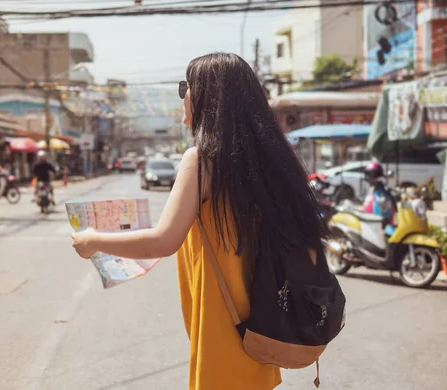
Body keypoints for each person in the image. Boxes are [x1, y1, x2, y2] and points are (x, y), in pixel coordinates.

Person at [71, 53, 327, 390]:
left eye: (186, 87)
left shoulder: (202, 159)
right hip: (263, 327)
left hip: (225, 332)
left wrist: (92, 240)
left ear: (208, 95)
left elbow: (164, 240)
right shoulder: (267, 161)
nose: (184, 95)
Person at [361, 161, 396, 226]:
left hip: (375, 221)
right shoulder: (373, 189)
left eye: (370, 175)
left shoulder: (380, 190)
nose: (368, 178)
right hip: (370, 220)